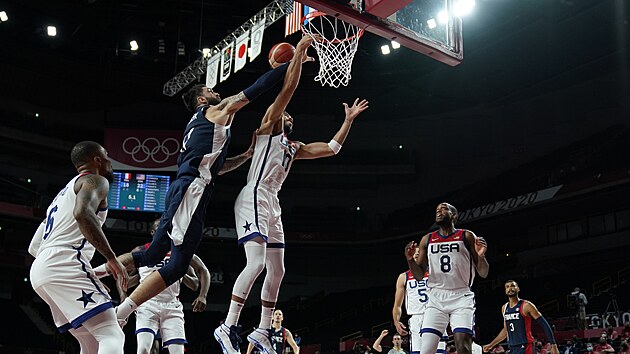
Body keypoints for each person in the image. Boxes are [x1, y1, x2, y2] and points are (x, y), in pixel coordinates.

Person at [109, 38, 312, 328]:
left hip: (192, 188)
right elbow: (255, 91)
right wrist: (292, 62)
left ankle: (106, 284)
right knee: (175, 263)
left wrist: (246, 154)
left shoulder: (199, 125)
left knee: (159, 256)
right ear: (202, 101)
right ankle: (119, 306)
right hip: (193, 189)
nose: (216, 91)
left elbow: (216, 168)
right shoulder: (214, 112)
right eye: (209, 90)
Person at [214, 36, 368, 354]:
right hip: (254, 195)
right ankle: (227, 326)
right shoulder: (269, 125)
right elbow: (287, 91)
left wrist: (347, 122)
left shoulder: (292, 146)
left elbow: (330, 149)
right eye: (285, 113)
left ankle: (261, 330)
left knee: (278, 268)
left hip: (272, 202)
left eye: (290, 116)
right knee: (255, 264)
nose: (287, 115)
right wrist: (297, 55)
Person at [27, 141, 128, 353]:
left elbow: (34, 246)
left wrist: (80, 274)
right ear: (97, 160)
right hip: (64, 262)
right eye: (107, 156)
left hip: (41, 270)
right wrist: (111, 258)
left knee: (90, 342)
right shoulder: (95, 180)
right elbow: (83, 214)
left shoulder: (60, 197)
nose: (110, 162)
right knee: (112, 332)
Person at [98, 219, 211, 354]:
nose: (166, 230)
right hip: (147, 304)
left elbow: (200, 276)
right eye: (161, 228)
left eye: (168, 228)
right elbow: (123, 275)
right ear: (153, 232)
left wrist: (199, 292)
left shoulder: (179, 252)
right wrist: (124, 296)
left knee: (178, 352)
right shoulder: (142, 250)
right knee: (144, 349)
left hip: (172, 305)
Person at [404, 203, 489, 354]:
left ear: (454, 216)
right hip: (436, 296)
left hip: (461, 296)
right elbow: (418, 276)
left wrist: (481, 257)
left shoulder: (466, 235)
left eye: (444, 209)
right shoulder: (427, 239)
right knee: (426, 351)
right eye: (437, 209)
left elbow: (483, 272)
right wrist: (410, 260)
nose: (438, 210)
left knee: (462, 347)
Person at [482, 280, 559, 354]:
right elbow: (506, 330)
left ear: (518, 289)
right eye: (507, 287)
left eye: (513, 286)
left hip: (526, 346)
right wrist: (491, 345)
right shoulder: (504, 308)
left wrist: (553, 344)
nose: (510, 288)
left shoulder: (526, 305)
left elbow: (544, 324)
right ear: (505, 291)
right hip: (512, 347)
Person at [393, 247, 428, 354]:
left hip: (434, 315)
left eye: (419, 252)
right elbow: (397, 305)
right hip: (416, 317)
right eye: (415, 252)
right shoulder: (404, 277)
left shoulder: (434, 273)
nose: (417, 254)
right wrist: (396, 321)